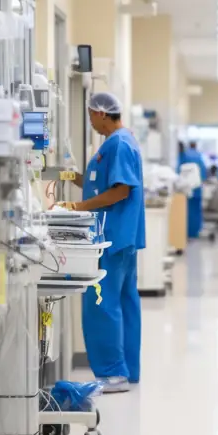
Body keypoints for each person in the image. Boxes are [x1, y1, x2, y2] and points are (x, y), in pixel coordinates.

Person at [60, 91, 145, 392]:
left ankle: (112, 374)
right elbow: (100, 184)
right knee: (123, 301)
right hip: (121, 237)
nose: (91, 122)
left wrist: (77, 207)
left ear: (100, 113)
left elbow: (121, 191)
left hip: (110, 238)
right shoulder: (119, 143)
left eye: (90, 115)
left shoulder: (119, 144)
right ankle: (127, 371)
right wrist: (72, 176)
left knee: (100, 303)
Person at [177, 140, 207, 239]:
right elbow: (203, 173)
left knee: (188, 211)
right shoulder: (199, 156)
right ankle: (195, 232)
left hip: (186, 188)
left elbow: (178, 171)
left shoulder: (184, 156)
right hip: (197, 189)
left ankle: (187, 232)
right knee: (196, 211)